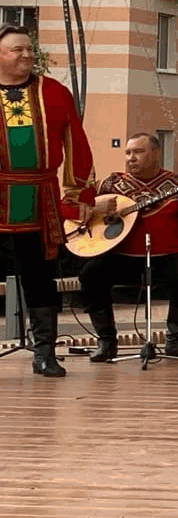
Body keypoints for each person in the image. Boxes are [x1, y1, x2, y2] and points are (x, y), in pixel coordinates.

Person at [0, 25, 96, 377]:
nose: (26, 56)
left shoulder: (53, 91)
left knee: (39, 278)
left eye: (29, 50)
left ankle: (44, 353)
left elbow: (77, 142)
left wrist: (79, 193)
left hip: (38, 197)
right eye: (17, 50)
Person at [77, 131, 178, 363]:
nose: (131, 158)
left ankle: (176, 341)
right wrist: (98, 209)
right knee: (91, 272)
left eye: (138, 151)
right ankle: (106, 341)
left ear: (156, 154)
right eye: (128, 152)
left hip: (166, 257)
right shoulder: (111, 184)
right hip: (121, 256)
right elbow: (84, 213)